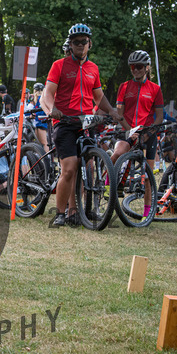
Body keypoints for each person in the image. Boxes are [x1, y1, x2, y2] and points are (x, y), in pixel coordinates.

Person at [40, 23, 119, 226]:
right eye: (76, 42)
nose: (80, 45)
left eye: (84, 42)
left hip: (85, 122)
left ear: (89, 43)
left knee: (88, 167)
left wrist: (112, 111)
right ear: (71, 44)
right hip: (64, 122)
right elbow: (48, 93)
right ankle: (60, 213)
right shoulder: (59, 65)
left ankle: (82, 210)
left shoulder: (93, 68)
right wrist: (52, 110)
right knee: (69, 168)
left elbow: (98, 96)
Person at [109, 50, 164, 218]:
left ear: (147, 67)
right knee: (117, 153)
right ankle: (108, 182)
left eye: (139, 67)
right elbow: (120, 113)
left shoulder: (155, 89)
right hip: (127, 129)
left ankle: (147, 213)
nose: (136, 70)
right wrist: (130, 131)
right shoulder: (124, 86)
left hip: (148, 132)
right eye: (133, 67)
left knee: (147, 176)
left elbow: (159, 116)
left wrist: (148, 133)